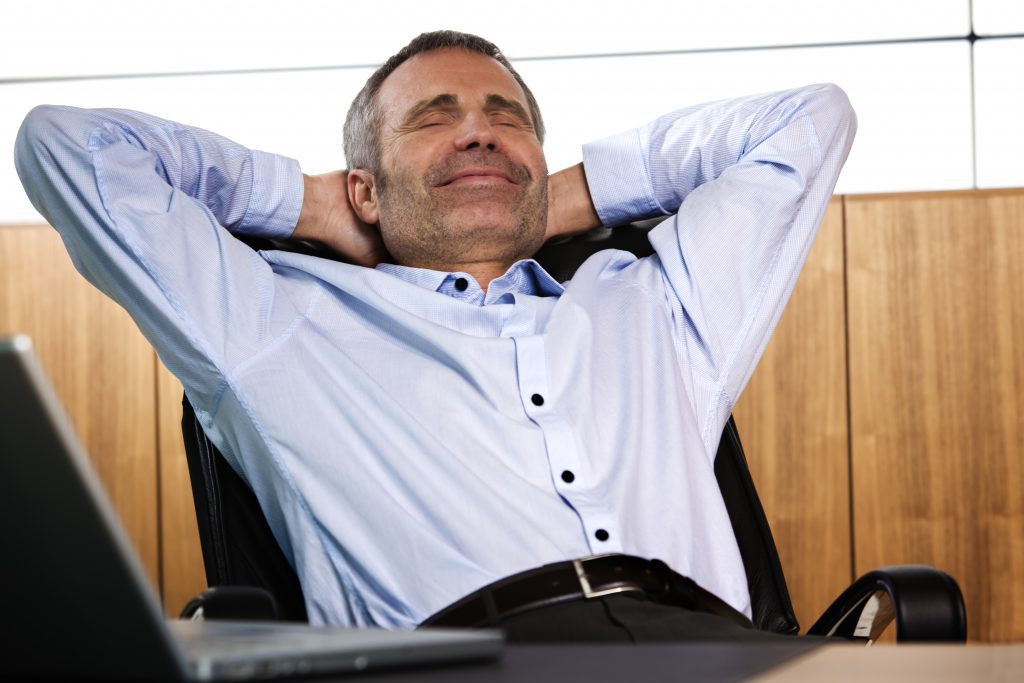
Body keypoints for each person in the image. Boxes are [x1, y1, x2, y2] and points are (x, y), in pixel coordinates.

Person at [15, 30, 855, 642]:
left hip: (713, 656)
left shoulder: (663, 302)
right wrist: (310, 207)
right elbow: (68, 147)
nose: (478, 130)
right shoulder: (273, 322)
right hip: (461, 664)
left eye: (506, 117)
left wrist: (567, 197)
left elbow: (811, 121)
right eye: (433, 119)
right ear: (365, 190)